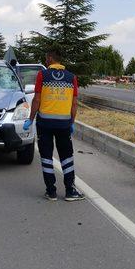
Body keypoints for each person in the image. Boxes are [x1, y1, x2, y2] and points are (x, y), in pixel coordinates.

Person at [23, 49, 84, 202]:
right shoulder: (72, 77)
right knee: (66, 157)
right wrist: (71, 122)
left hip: (45, 124)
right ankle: (70, 191)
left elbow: (36, 100)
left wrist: (31, 118)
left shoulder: (42, 75)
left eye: (46, 58)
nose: (45, 61)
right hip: (64, 125)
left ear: (50, 58)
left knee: (46, 157)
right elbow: (74, 103)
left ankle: (51, 192)